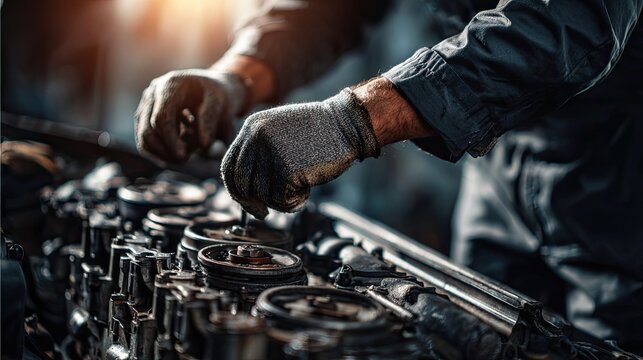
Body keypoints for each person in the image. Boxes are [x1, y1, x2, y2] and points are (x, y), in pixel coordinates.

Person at [134, 0, 643, 352]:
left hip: (621, 172)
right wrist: (240, 73)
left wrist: (356, 119)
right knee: (468, 338)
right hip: (500, 170)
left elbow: (570, 20)